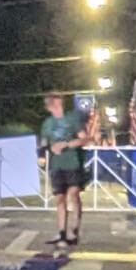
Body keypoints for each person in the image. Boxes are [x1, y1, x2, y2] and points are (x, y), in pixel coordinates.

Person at [38, 91, 90, 246]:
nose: (56, 105)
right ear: (49, 107)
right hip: (56, 164)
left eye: (58, 102)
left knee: (73, 194)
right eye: (53, 104)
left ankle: (74, 230)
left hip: (73, 162)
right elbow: (44, 143)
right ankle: (61, 232)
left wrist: (66, 144)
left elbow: (85, 138)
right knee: (60, 198)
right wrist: (43, 153)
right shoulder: (48, 123)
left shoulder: (72, 119)